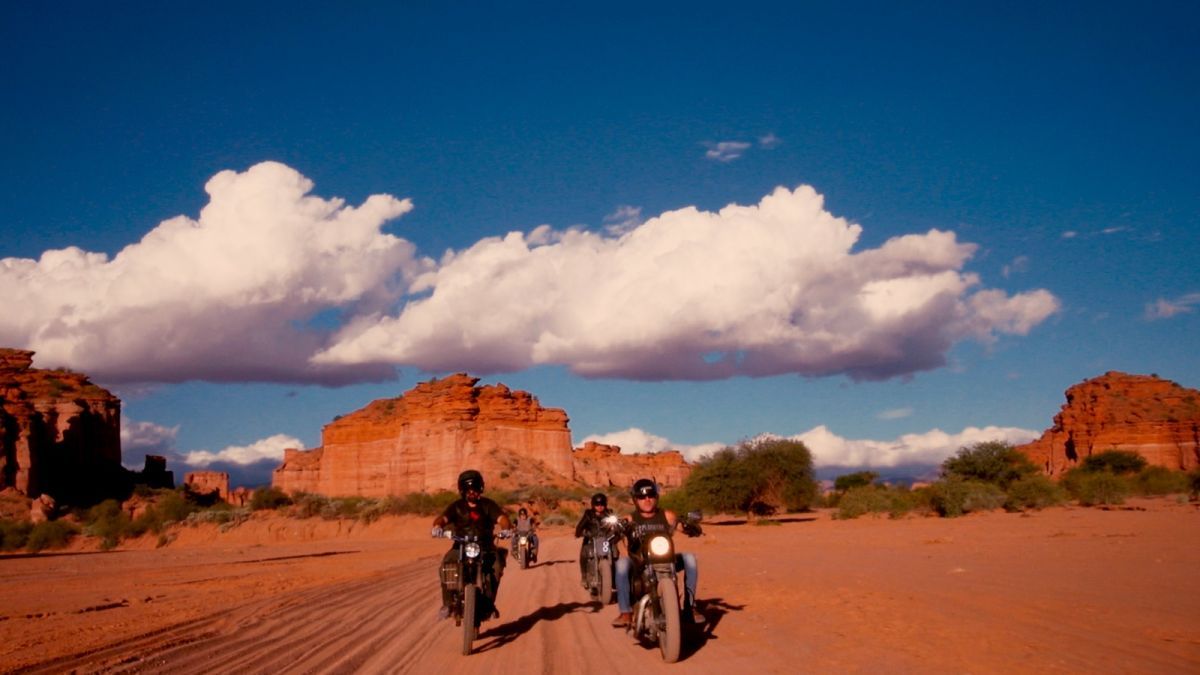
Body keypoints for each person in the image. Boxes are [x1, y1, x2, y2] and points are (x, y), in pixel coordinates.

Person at [611, 478, 703, 628]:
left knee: (690, 558)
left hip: (665, 558)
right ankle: (625, 612)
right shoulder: (630, 519)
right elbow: (616, 534)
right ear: (635, 500)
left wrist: (691, 527)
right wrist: (614, 531)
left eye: (651, 495)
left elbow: (680, 525)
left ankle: (690, 607)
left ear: (656, 497)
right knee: (621, 565)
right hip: (639, 561)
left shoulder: (667, 516)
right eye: (641, 497)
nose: (647, 500)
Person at [431, 469, 512, 621]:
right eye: (468, 489)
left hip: (486, 546)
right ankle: (448, 604)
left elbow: (502, 518)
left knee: (496, 566)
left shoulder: (488, 505)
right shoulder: (456, 506)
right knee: (447, 564)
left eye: (474, 489)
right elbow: (442, 519)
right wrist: (437, 527)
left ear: (480, 488)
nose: (472, 492)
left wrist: (506, 529)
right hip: (460, 546)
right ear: (462, 490)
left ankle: (489, 604)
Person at [575, 492, 614, 585]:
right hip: (591, 539)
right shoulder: (588, 514)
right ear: (593, 505)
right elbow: (580, 526)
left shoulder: (609, 513)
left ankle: (615, 576)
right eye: (597, 504)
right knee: (584, 553)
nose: (600, 506)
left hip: (606, 539)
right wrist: (579, 533)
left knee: (615, 554)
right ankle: (584, 576)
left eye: (602, 504)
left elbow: (616, 524)